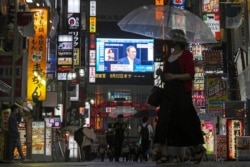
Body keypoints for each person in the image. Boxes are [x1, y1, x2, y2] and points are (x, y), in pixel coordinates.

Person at [154, 29, 205, 164]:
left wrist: (174, 76)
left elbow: (190, 74)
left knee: (186, 121)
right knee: (163, 120)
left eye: (173, 38)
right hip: (168, 94)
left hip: (182, 93)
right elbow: (165, 78)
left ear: (178, 40)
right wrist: (161, 74)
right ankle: (164, 154)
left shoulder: (186, 55)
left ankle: (198, 149)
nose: (171, 40)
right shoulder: (168, 57)